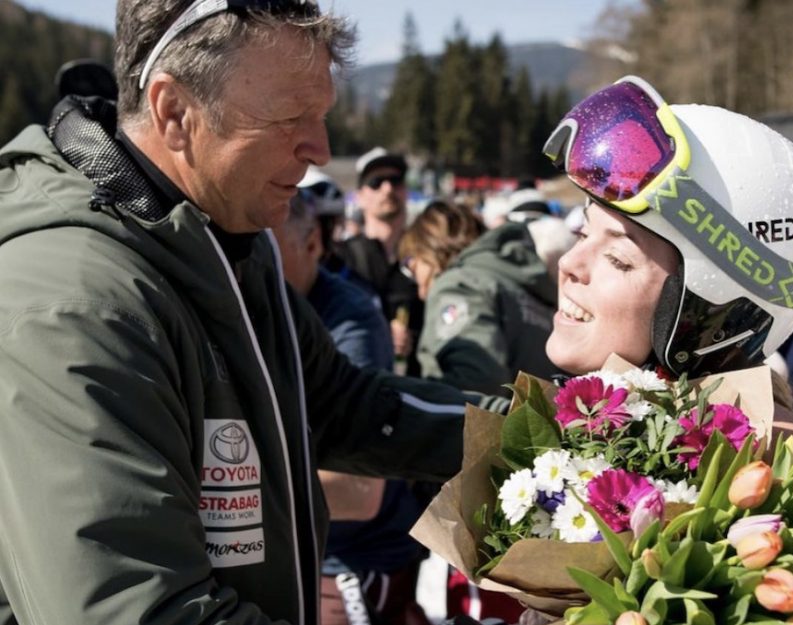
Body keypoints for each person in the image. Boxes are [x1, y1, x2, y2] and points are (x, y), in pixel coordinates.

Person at [0, 2, 505, 623]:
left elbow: (347, 406)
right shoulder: (76, 306)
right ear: (175, 112)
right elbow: (139, 609)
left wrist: (551, 435)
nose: (320, 149)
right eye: (291, 117)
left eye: (322, 116)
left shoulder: (225, 239)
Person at [541, 75, 793, 447]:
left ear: (705, 310)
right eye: (583, 235)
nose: (569, 263)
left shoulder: (766, 474)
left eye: (618, 259)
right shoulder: (584, 428)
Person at [273, 188, 429, 625]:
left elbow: (359, 491)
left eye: (269, 250)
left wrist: (233, 496)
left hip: (352, 562)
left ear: (312, 245)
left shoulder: (349, 321)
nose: (252, 265)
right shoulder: (258, 305)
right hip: (303, 553)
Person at [398, 200, 561, 396]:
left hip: (495, 424)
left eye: (409, 263)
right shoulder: (518, 281)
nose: (416, 284)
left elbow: (475, 384)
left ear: (429, 248)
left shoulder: (460, 284)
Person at [336, 147, 424, 375]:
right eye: (376, 182)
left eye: (396, 181)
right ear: (359, 197)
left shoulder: (425, 256)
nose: (387, 188)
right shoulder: (342, 258)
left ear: (405, 190)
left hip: (418, 386)